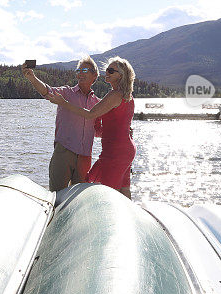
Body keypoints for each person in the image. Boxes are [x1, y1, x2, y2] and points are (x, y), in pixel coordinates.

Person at [48, 57, 136, 199]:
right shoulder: (128, 96)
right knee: (124, 190)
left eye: (111, 71)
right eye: (107, 69)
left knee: (106, 193)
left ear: (121, 75)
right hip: (125, 149)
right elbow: (108, 127)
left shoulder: (114, 95)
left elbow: (90, 114)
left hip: (115, 152)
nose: (107, 72)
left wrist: (63, 102)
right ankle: (132, 219)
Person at [22, 56, 101, 192]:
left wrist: (122, 132)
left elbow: (99, 131)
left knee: (78, 200)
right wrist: (32, 78)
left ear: (95, 75)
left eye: (85, 70)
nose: (80, 73)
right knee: (56, 196)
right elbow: (46, 91)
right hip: (64, 152)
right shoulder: (66, 93)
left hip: (85, 158)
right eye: (78, 70)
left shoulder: (98, 103)